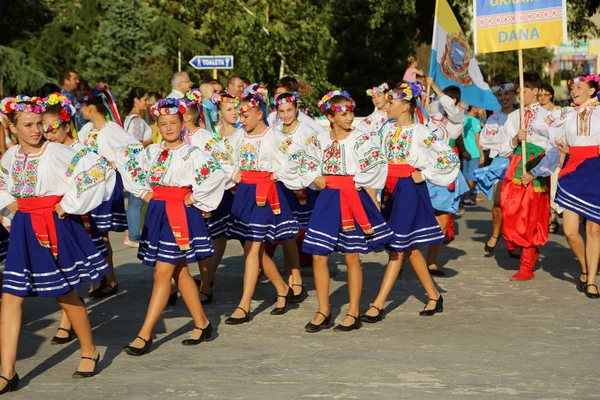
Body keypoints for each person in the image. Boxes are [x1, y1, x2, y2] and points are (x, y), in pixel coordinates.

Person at [0, 95, 115, 392]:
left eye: (39, 124)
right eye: (28, 125)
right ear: (14, 127)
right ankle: (7, 371)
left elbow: (99, 169)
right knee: (11, 296)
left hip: (53, 225)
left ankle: (89, 349)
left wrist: (69, 203)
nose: (37, 130)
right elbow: (2, 183)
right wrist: (12, 206)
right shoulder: (10, 156)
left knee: (64, 293)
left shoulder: (57, 152)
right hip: (25, 226)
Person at [122, 98, 225, 355]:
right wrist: (145, 194)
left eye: (173, 123)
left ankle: (144, 334)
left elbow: (215, 173)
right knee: (179, 271)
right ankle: (202, 323)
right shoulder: (152, 151)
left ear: (183, 123)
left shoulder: (192, 153)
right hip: (157, 212)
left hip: (179, 213)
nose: (168, 128)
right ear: (157, 126)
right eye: (163, 123)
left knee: (162, 273)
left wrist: (194, 197)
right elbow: (130, 167)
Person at [363, 82, 458, 321]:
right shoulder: (385, 130)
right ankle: (434, 295)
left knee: (397, 247)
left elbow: (448, 157)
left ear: (405, 106)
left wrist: (424, 174)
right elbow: (375, 158)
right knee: (410, 246)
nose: (387, 106)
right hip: (389, 190)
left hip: (409, 190)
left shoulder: (421, 132)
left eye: (392, 103)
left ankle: (378, 304)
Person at [301, 90, 392, 333]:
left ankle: (353, 311)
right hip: (328, 199)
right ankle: (323, 309)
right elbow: (304, 162)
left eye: (351, 111)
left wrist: (358, 180)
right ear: (330, 117)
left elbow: (377, 162)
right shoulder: (320, 138)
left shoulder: (360, 139)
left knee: (351, 255)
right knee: (319, 254)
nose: (350, 116)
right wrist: (315, 177)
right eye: (344, 113)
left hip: (352, 197)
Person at [221, 84, 303, 324]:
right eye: (240, 115)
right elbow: (217, 155)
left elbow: (298, 155)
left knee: (254, 247)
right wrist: (234, 173)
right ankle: (281, 287)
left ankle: (243, 305)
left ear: (259, 113)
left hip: (265, 194)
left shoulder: (274, 136)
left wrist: (279, 173)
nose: (241, 119)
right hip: (246, 192)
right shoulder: (238, 137)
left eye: (245, 115)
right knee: (249, 246)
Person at [41, 92, 114, 345]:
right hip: (51, 217)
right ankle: (69, 313)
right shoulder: (47, 151)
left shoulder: (80, 150)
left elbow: (100, 172)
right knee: (60, 265)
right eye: (45, 131)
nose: (49, 136)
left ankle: (66, 319)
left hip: (76, 215)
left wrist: (70, 201)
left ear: (66, 124)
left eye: (53, 130)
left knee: (70, 266)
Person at [79, 84, 144, 297]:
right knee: (92, 233)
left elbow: (135, 148)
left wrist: (115, 162)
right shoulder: (86, 131)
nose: (80, 110)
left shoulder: (112, 129)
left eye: (83, 105)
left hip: (106, 186)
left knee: (101, 233)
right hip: (89, 186)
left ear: (91, 108)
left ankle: (108, 279)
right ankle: (100, 279)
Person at [546, 74, 600, 297]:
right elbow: (549, 130)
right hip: (572, 169)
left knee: (593, 229)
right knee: (569, 230)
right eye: (573, 88)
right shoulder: (567, 114)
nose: (574, 91)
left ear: (592, 90)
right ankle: (586, 268)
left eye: (580, 87)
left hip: (596, 168)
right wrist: (562, 147)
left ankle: (591, 281)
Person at [502, 72, 559, 281]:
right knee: (509, 210)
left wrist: (535, 172)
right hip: (515, 165)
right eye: (518, 90)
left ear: (536, 91)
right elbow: (503, 150)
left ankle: (526, 265)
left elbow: (554, 150)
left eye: (524, 90)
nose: (519, 94)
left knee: (530, 215)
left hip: (536, 165)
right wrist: (516, 139)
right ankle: (525, 248)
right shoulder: (512, 117)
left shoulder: (548, 117)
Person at [425, 78, 469, 275]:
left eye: (444, 98)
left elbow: (450, 108)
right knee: (416, 214)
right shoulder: (429, 113)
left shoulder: (458, 117)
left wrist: (434, 86)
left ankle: (431, 261)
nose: (439, 101)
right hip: (424, 167)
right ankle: (404, 257)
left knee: (442, 217)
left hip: (445, 168)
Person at [473, 83, 519, 256]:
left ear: (514, 95)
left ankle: (512, 239)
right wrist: (506, 143)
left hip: (518, 160)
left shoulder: (521, 116)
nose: (504, 98)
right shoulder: (493, 119)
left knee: (516, 205)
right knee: (498, 202)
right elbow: (485, 141)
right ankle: (495, 233)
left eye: (507, 94)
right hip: (500, 161)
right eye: (500, 95)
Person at [123, 88, 152, 248]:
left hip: (134, 164)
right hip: (137, 164)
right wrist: (150, 140)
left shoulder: (130, 119)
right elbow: (135, 144)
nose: (147, 103)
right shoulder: (136, 121)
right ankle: (133, 235)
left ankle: (132, 233)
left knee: (136, 201)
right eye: (145, 99)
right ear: (136, 100)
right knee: (136, 201)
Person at [461, 106, 485, 207]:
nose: (481, 110)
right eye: (479, 108)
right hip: (474, 152)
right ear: (474, 108)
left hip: (464, 150)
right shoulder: (475, 121)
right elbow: (477, 140)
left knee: (465, 176)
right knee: (471, 177)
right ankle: (466, 199)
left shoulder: (463, 119)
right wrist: (482, 153)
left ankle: (465, 197)